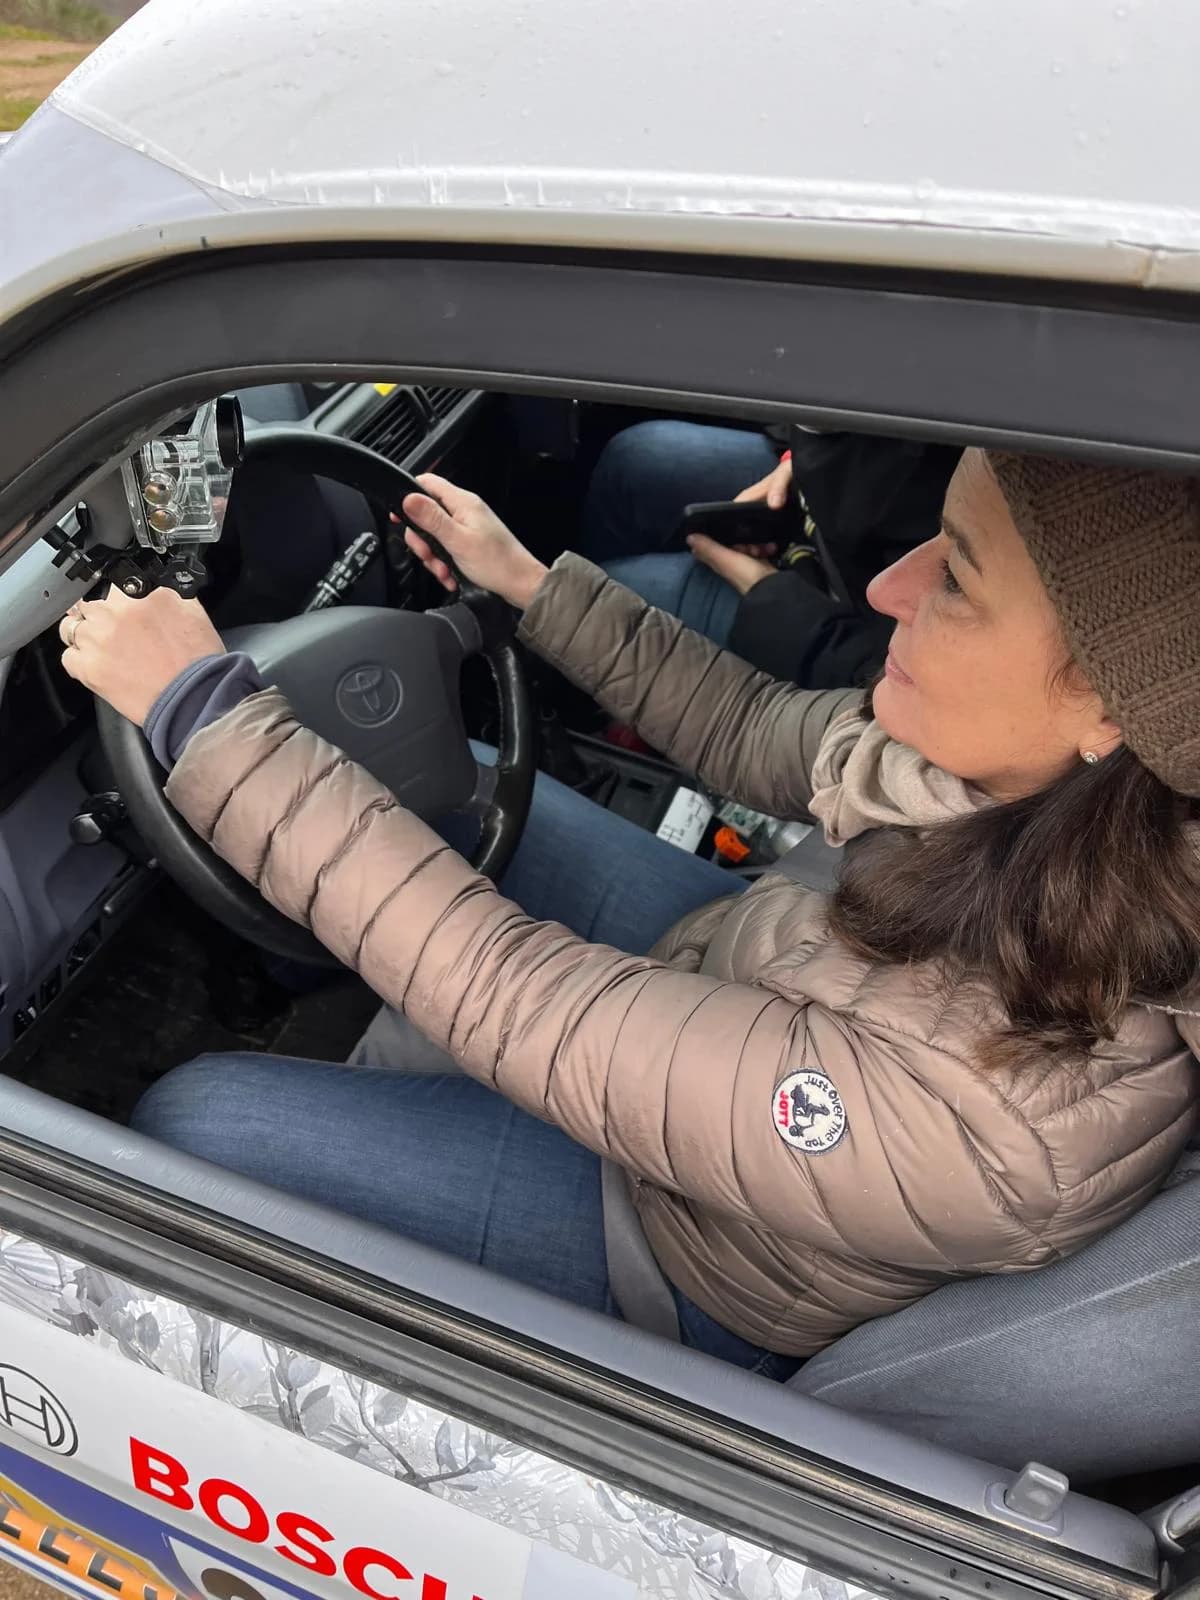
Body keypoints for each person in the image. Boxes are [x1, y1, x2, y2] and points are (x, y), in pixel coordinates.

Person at [59, 449, 1200, 1376]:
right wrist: (528, 584)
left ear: (1110, 710)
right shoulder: (1013, 780)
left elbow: (520, 1002)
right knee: (450, 785)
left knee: (199, 1117)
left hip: (682, 1252)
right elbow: (753, 724)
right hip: (754, 972)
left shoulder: (1002, 1106)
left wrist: (207, 712)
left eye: (956, 579)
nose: (888, 587)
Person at [581, 420, 958, 686]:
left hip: (835, 625)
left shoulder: (969, 506)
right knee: (634, 458)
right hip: (823, 496)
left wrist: (769, 595)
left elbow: (886, 674)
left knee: (599, 595)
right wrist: (803, 451)